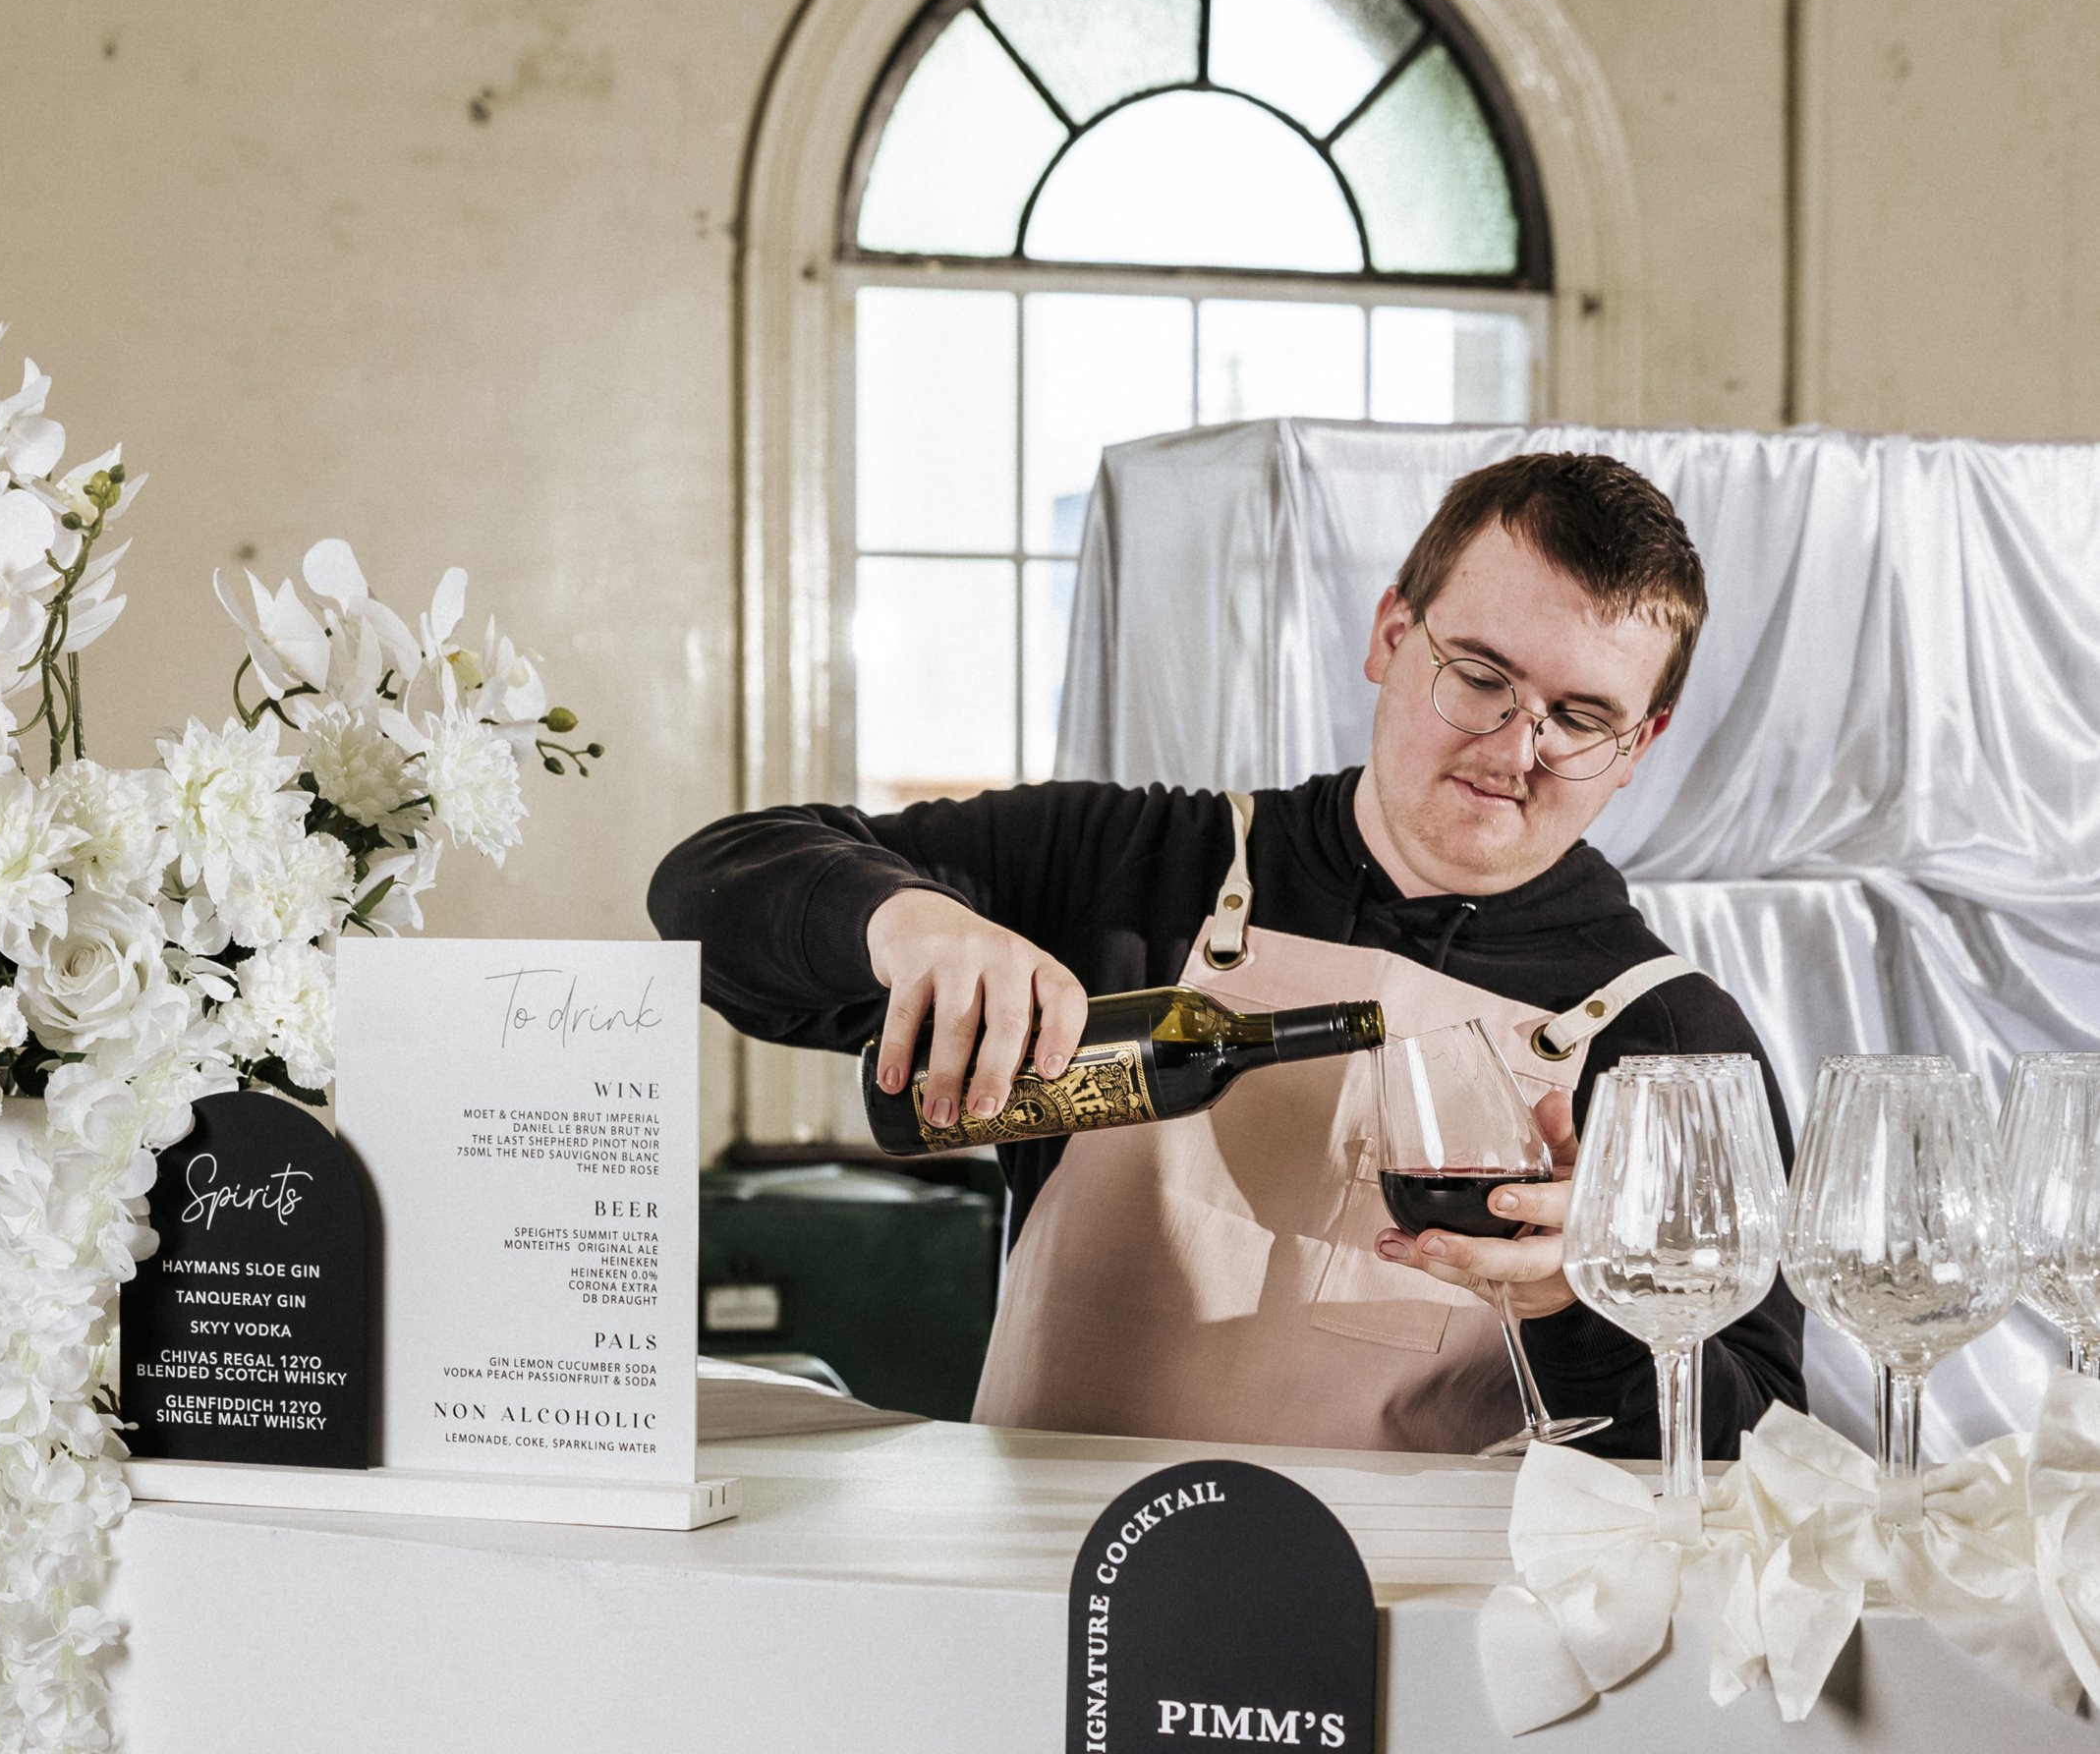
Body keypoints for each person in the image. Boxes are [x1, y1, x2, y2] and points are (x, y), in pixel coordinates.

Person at [651, 452, 1805, 1458]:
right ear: (1391, 636)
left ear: (1639, 743)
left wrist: (1579, 1308)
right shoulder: (1128, 865)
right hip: (1050, 1582)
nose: (1516, 750)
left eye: (1580, 718)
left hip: (1419, 1618)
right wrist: (909, 922)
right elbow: (707, 893)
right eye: (1479, 678)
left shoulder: (1671, 1039)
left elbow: (1750, 1447)